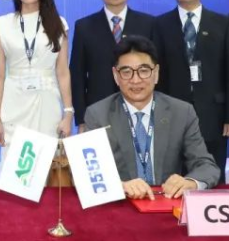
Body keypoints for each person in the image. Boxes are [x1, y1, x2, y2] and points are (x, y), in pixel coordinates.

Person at [84, 36, 219, 199]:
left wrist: (190, 182)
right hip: (122, 203)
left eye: (143, 71)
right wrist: (119, 186)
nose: (135, 80)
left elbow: (206, 165)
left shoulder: (182, 112)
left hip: (166, 202)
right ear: (115, 76)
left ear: (156, 73)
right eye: (126, 72)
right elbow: (86, 173)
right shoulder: (97, 114)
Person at [154, 0, 229, 182]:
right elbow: (156, 74)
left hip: (214, 115)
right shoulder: (159, 25)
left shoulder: (223, 23)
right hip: (170, 114)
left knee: (212, 175)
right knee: (173, 177)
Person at [0, 0, 73, 154]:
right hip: (13, 103)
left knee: (48, 162)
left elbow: (62, 72)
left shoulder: (58, 23)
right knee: (15, 165)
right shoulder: (2, 24)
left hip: (47, 103)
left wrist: (68, 113)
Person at [70, 0, 156, 131]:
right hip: (98, 113)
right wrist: (81, 119)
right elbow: (77, 76)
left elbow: (156, 71)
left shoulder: (149, 24)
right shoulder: (84, 26)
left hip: (141, 110)